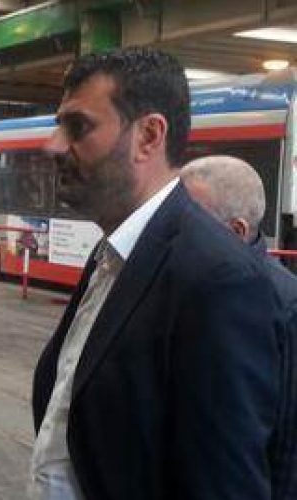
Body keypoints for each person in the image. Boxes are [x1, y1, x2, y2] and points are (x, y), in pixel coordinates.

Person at [30, 47, 282, 500]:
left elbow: (224, 484)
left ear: (148, 136)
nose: (54, 145)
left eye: (77, 127)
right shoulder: (112, 254)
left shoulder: (218, 279)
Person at [182, 155, 297, 500]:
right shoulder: (177, 279)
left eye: (189, 222)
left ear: (237, 232)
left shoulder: (285, 303)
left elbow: (288, 443)